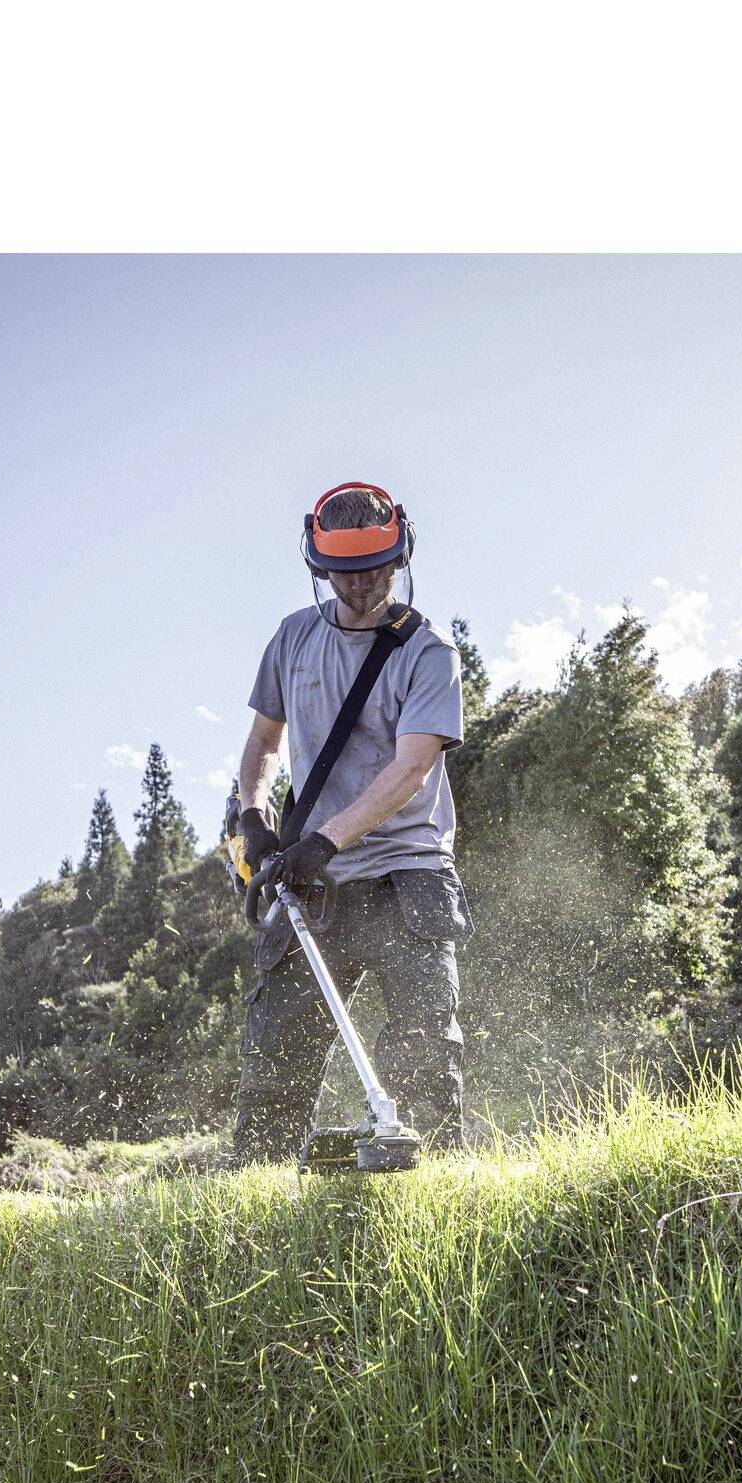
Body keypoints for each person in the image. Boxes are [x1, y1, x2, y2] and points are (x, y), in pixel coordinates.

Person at [231, 481, 471, 1164]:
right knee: (277, 1048)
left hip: (408, 875)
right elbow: (263, 742)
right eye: (344, 570)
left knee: (424, 1051)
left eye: (374, 567)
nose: (361, 583)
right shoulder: (293, 638)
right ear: (319, 565)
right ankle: (259, 1190)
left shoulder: (427, 653)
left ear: (401, 555)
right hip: (314, 881)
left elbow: (411, 770)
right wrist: (253, 814)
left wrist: (324, 840)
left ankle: (439, 1190)